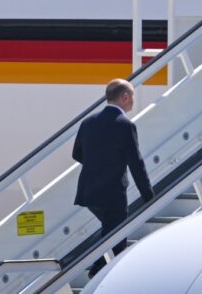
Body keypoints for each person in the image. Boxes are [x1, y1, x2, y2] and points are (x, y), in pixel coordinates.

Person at [72, 78, 154, 278]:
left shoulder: (88, 121)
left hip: (88, 192)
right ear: (125, 97)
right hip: (112, 194)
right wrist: (149, 197)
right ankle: (100, 273)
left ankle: (101, 270)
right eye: (132, 96)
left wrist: (98, 166)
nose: (132, 101)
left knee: (111, 232)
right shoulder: (124, 125)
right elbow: (136, 164)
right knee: (117, 236)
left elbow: (76, 154)